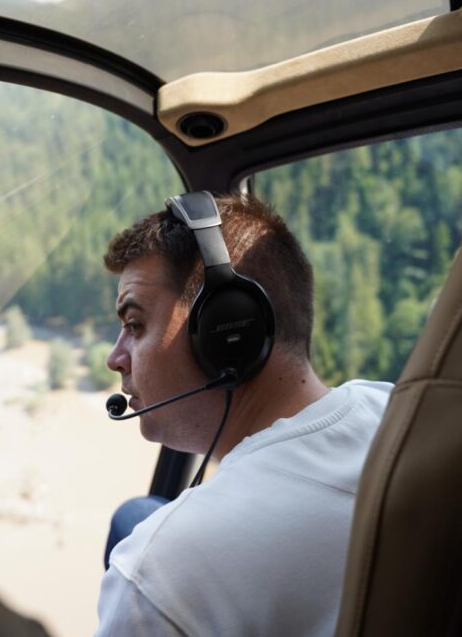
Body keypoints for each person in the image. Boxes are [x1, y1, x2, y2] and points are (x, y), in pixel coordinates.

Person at [96, 193, 392, 635]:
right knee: (136, 513)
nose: (115, 358)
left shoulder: (153, 575)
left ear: (227, 330)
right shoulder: (391, 405)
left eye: (135, 325)